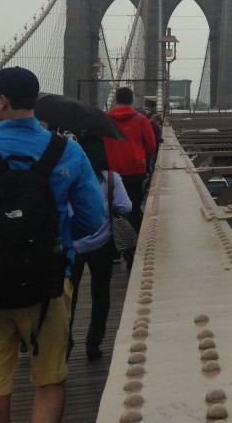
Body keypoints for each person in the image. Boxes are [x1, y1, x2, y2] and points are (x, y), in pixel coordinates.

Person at [0, 67, 105, 423]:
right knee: (50, 379)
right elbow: (93, 220)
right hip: (49, 283)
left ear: (2, 101)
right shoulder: (68, 153)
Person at [68, 135, 131, 361]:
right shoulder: (112, 178)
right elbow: (126, 207)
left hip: (73, 247)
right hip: (102, 244)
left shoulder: (69, 177)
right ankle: (94, 341)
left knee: (68, 297)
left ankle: (65, 342)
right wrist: (107, 206)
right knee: (100, 293)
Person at [104, 88, 156, 235]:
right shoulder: (141, 120)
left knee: (111, 208)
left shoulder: (105, 120)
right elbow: (151, 145)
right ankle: (132, 244)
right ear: (132, 101)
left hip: (111, 173)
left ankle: (115, 243)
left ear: (116, 100)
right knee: (132, 207)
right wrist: (142, 159)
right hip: (135, 171)